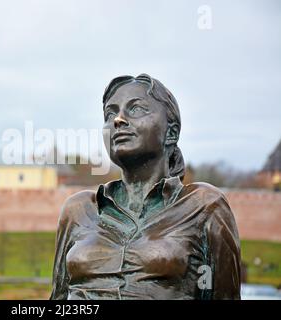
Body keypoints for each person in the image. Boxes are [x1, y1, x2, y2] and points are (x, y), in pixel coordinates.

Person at [50, 74, 241, 300]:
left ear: (171, 133)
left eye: (137, 109)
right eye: (110, 113)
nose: (118, 120)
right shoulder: (79, 210)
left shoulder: (204, 206)